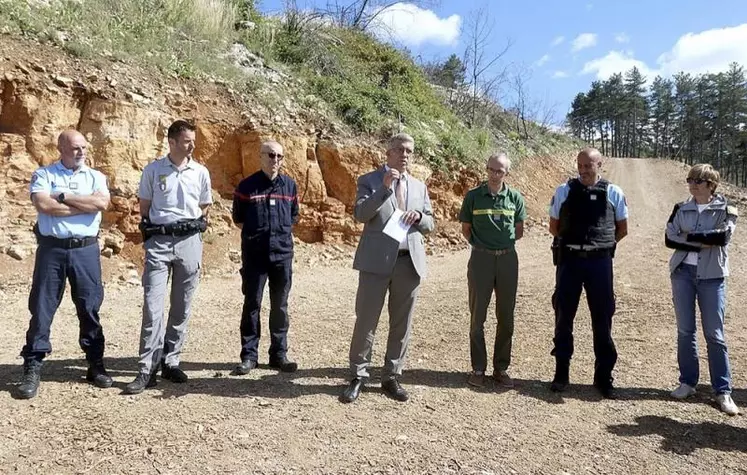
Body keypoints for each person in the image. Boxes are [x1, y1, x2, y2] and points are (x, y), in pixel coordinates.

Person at [15, 130, 112, 400]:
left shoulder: (96, 177)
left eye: (83, 147)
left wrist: (62, 197)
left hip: (85, 250)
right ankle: (33, 366)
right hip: (52, 250)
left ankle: (96, 364)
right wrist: (82, 205)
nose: (81, 152)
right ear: (60, 148)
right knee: (42, 309)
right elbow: (43, 205)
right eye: (75, 148)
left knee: (90, 307)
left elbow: (101, 203)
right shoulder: (44, 175)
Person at [340, 133, 435, 404]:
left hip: (409, 262)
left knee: (401, 324)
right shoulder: (368, 180)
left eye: (409, 151)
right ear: (388, 153)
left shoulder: (419, 187)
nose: (405, 155)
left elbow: (430, 223)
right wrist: (384, 189)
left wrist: (419, 217)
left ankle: (391, 376)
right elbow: (360, 214)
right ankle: (358, 375)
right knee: (366, 321)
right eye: (400, 150)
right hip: (375, 262)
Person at [125, 120, 213, 395]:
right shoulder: (153, 170)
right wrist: (156, 236)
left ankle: (171, 360)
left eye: (192, 141)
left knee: (182, 305)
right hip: (160, 243)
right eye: (187, 141)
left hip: (189, 242)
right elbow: (145, 207)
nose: (192, 145)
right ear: (172, 142)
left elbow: (204, 206)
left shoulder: (200, 172)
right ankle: (146, 368)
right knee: (153, 306)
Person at [548, 147, 628, 398]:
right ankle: (561, 373)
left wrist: (599, 245)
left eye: (589, 165)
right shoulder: (564, 191)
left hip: (599, 263)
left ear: (599, 165)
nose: (583, 170)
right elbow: (554, 227)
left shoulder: (614, 192)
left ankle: (603, 377)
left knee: (602, 319)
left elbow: (622, 229)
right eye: (580, 165)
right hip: (569, 261)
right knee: (563, 318)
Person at [664, 164, 739, 416]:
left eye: (699, 180)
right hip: (682, 274)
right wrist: (702, 240)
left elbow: (723, 238)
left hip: (712, 276)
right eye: (690, 179)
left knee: (714, 334)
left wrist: (690, 237)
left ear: (711, 184)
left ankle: (723, 390)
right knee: (685, 330)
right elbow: (669, 238)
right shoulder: (680, 208)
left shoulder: (726, 209)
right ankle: (688, 382)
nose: (693, 183)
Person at [231, 141, 299, 375]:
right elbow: (238, 218)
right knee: (252, 305)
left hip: (282, 255)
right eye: (271, 155)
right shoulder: (246, 186)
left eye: (280, 156)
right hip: (255, 255)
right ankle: (249, 356)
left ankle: (279, 355)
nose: (275, 160)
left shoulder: (289, 186)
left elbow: (294, 216)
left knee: (280, 306)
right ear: (260, 157)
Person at [459, 153, 527, 388]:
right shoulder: (473, 197)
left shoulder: (515, 198)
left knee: (506, 316)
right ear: (486, 169)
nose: (495, 174)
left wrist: (500, 246)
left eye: (500, 171)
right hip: (481, 259)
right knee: (478, 316)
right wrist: (483, 247)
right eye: (491, 169)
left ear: (506, 173)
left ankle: (501, 368)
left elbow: (519, 230)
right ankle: (478, 368)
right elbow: (466, 229)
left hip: (508, 260)